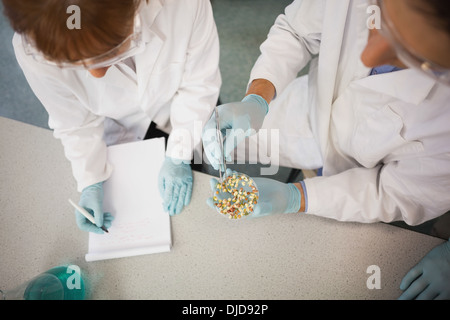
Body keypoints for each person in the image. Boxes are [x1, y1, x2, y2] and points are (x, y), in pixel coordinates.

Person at [202, 0, 450, 299]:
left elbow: (394, 191)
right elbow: (296, 30)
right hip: (305, 112)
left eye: (409, 53)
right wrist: (257, 98)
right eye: (380, 18)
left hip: (363, 173)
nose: (369, 55)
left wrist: (298, 197)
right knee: (225, 142)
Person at [2, 0, 221, 233]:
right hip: (124, 125)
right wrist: (90, 179)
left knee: (207, 164)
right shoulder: (33, 47)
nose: (95, 75)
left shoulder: (182, 6)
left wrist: (179, 155)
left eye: (108, 55)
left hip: (191, 108)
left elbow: (198, 85)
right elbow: (74, 121)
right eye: (74, 64)